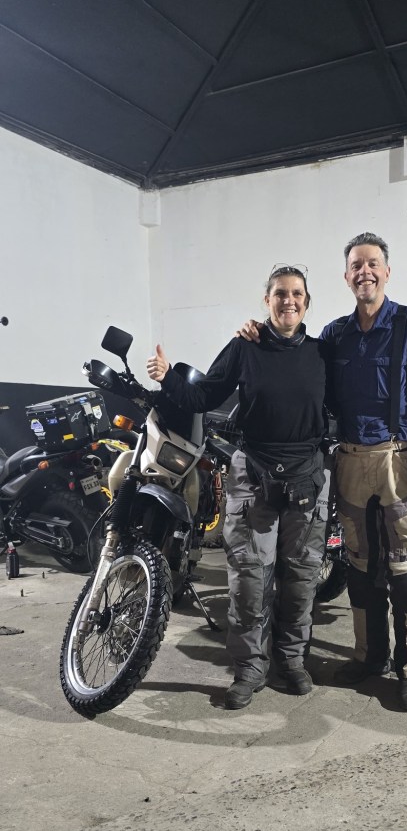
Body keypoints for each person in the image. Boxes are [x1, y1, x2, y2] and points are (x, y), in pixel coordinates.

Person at [239, 233, 407, 711]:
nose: (364, 272)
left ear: (387, 272)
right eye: (356, 265)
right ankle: (370, 656)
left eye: (372, 264)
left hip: (400, 460)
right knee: (359, 565)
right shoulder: (335, 334)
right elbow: (295, 354)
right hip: (350, 461)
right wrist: (257, 331)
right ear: (346, 276)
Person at [146, 265, 329, 710]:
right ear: (267, 300)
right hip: (253, 473)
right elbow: (204, 396)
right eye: (280, 293)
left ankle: (291, 660)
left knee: (301, 577)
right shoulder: (245, 347)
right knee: (249, 576)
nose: (289, 301)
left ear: (307, 302)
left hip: (307, 475)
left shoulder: (323, 352)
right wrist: (168, 376)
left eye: (297, 294)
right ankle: (250, 666)